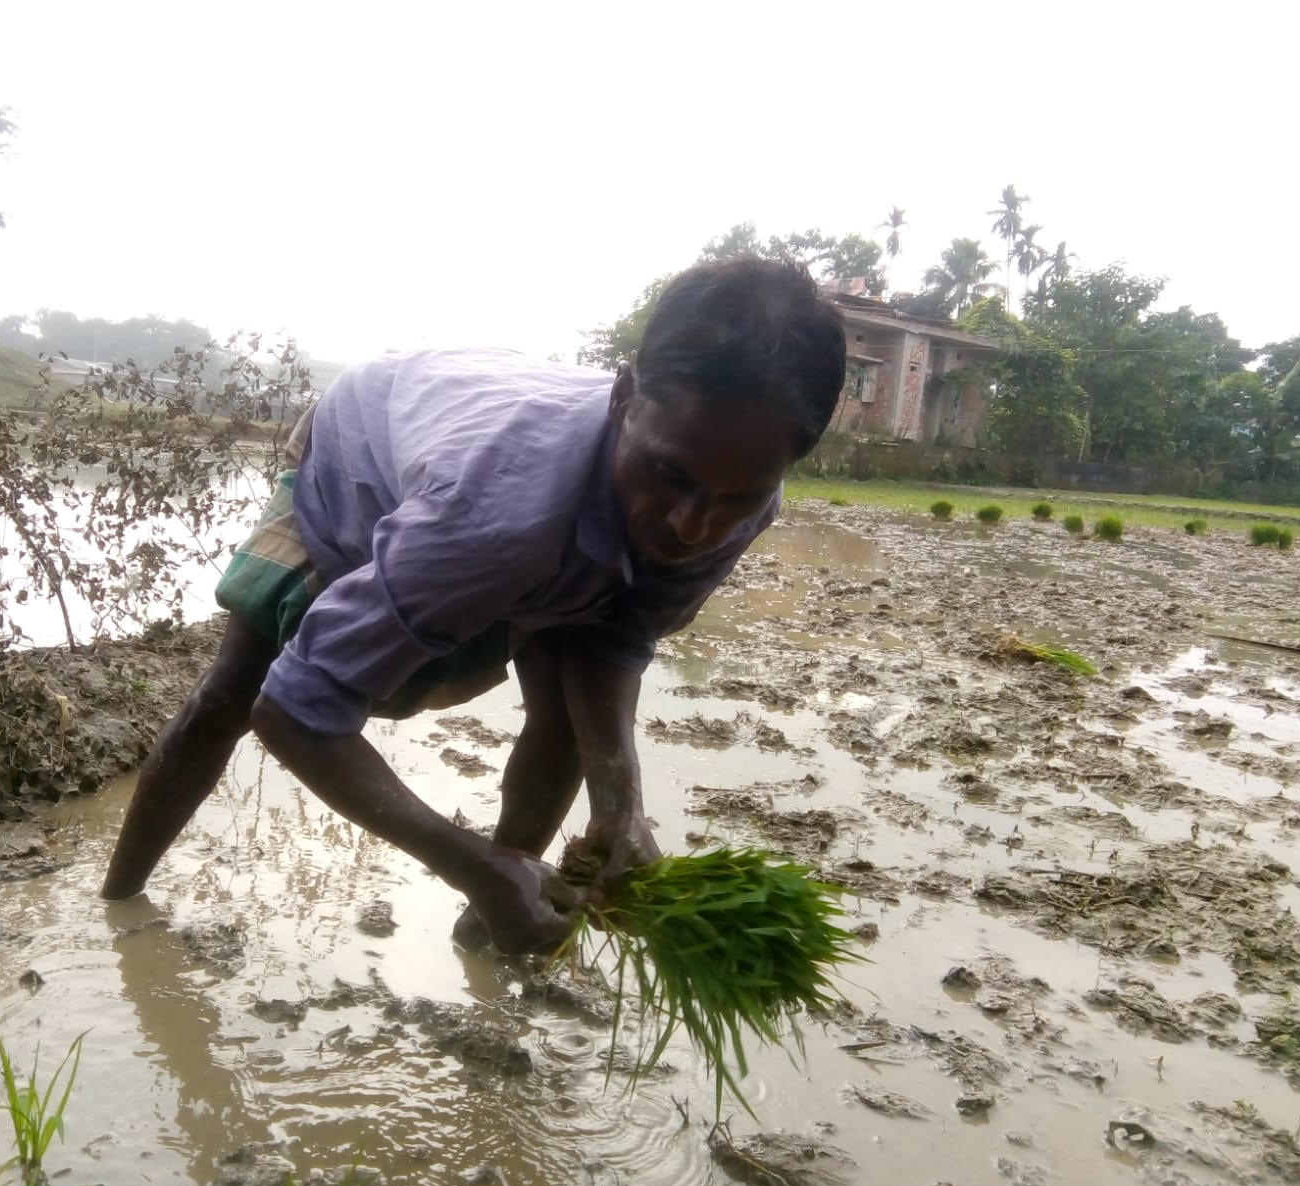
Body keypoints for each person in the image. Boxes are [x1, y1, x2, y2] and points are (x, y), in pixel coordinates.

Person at [100, 256, 847, 954]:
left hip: (517, 480)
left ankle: (495, 933)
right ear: (624, 400)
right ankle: (119, 904)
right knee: (234, 688)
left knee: (562, 719)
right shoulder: (491, 518)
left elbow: (615, 639)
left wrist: (621, 807)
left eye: (735, 498)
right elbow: (293, 709)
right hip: (368, 446)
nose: (692, 527)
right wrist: (467, 861)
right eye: (667, 475)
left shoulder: (738, 497)